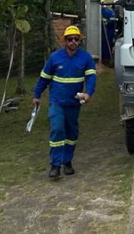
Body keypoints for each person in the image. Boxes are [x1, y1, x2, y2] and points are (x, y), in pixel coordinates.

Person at [33, 25, 97, 179]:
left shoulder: (86, 58)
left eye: (76, 39)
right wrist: (37, 95)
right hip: (57, 102)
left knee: (71, 133)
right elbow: (44, 78)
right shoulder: (55, 58)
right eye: (70, 39)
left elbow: (91, 77)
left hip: (74, 104)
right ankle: (55, 165)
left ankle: (67, 162)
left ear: (79, 41)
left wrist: (88, 93)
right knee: (57, 129)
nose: (73, 42)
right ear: (64, 41)